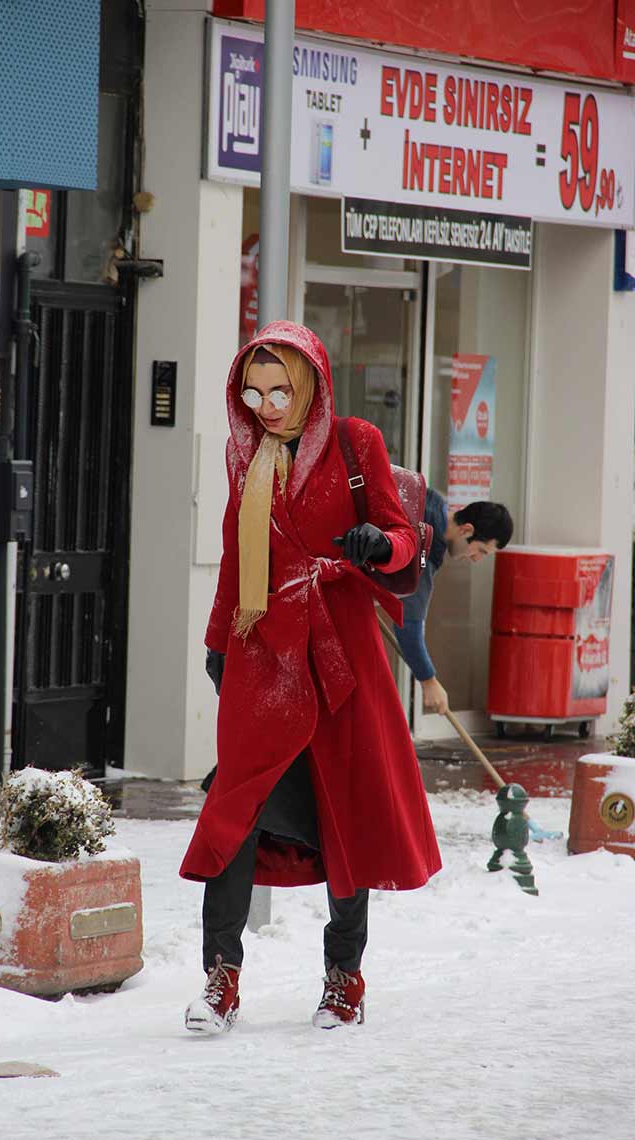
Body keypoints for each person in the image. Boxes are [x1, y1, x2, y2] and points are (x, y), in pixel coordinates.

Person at [179, 321, 441, 1035]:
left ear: (310, 386)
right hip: (263, 655)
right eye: (253, 391)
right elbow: (238, 556)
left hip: (342, 657)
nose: (266, 405)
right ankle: (220, 980)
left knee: (345, 816)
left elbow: (404, 539)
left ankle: (342, 979)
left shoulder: (357, 442)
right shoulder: (248, 457)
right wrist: (218, 643)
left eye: (279, 390)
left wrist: (376, 544)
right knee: (233, 811)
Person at [394, 494, 514, 715]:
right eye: (481, 551)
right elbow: (408, 623)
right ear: (466, 530)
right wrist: (428, 681)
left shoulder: (431, 500)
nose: (476, 559)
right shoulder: (426, 547)